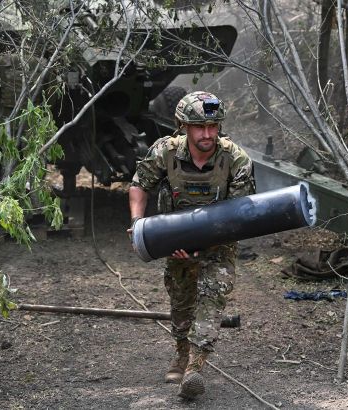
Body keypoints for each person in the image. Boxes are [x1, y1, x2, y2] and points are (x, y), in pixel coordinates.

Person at [128, 91, 255, 399]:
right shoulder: (165, 152)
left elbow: (239, 215)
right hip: (176, 239)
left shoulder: (235, 159)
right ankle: (181, 353)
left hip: (219, 243)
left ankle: (195, 367)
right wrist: (138, 224)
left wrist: (205, 242)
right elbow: (139, 186)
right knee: (181, 301)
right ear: (182, 125)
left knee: (212, 297)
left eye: (213, 127)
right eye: (200, 127)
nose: (208, 134)